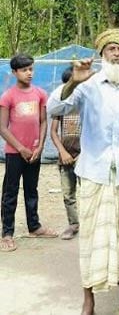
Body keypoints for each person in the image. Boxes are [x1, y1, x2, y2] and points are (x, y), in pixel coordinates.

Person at [48, 28, 119, 315]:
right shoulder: (88, 85)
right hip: (93, 173)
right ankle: (88, 301)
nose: (116, 54)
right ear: (102, 54)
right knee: (91, 237)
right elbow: (53, 106)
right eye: (111, 50)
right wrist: (73, 83)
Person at [1, 53, 55, 253]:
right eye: (24, 70)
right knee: (10, 192)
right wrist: (20, 148)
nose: (29, 73)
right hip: (15, 153)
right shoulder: (8, 96)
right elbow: (2, 127)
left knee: (32, 190)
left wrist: (40, 146)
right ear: (14, 72)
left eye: (31, 69)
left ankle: (34, 226)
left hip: (34, 151)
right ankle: (7, 233)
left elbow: (42, 121)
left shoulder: (40, 93)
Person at [50, 68, 82, 240]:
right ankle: (73, 224)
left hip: (85, 158)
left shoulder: (87, 105)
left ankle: (92, 226)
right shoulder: (60, 107)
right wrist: (63, 152)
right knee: (68, 194)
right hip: (65, 158)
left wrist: (82, 154)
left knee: (90, 192)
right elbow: (54, 132)